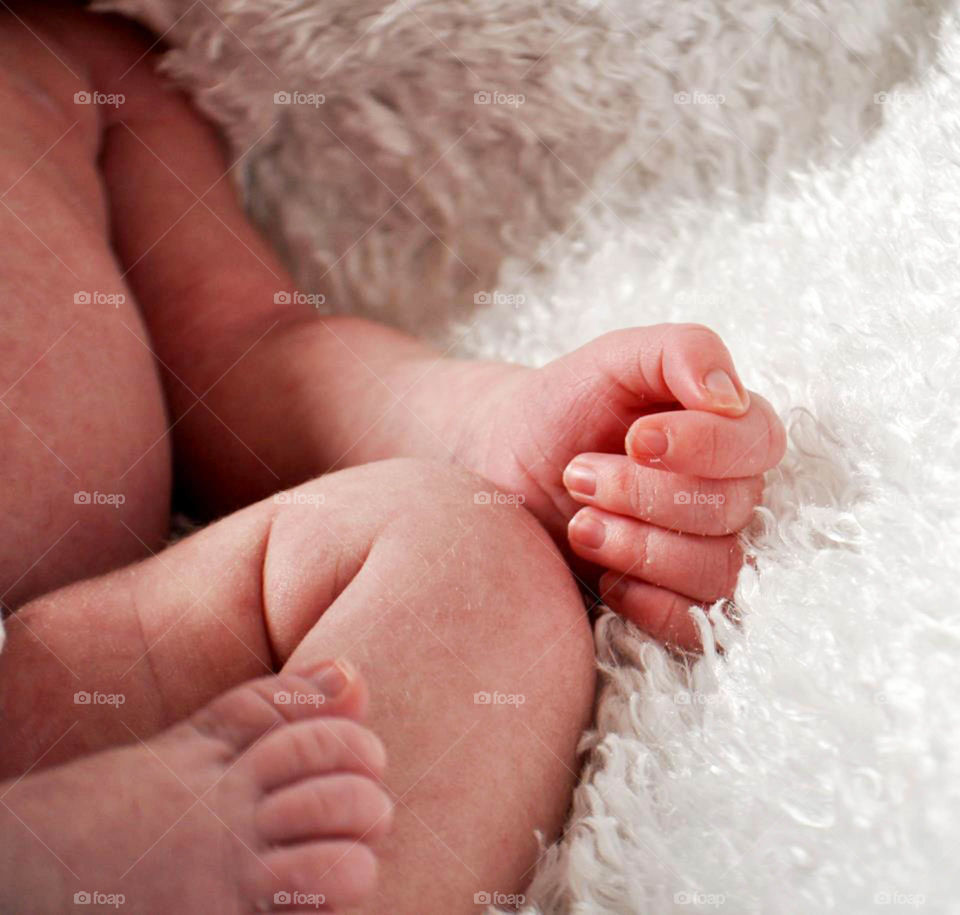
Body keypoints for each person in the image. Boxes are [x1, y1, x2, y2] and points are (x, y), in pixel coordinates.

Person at [0, 3, 786, 911]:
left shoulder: (85, 70)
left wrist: (491, 427)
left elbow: (253, 352)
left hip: (55, 672)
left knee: (466, 557)